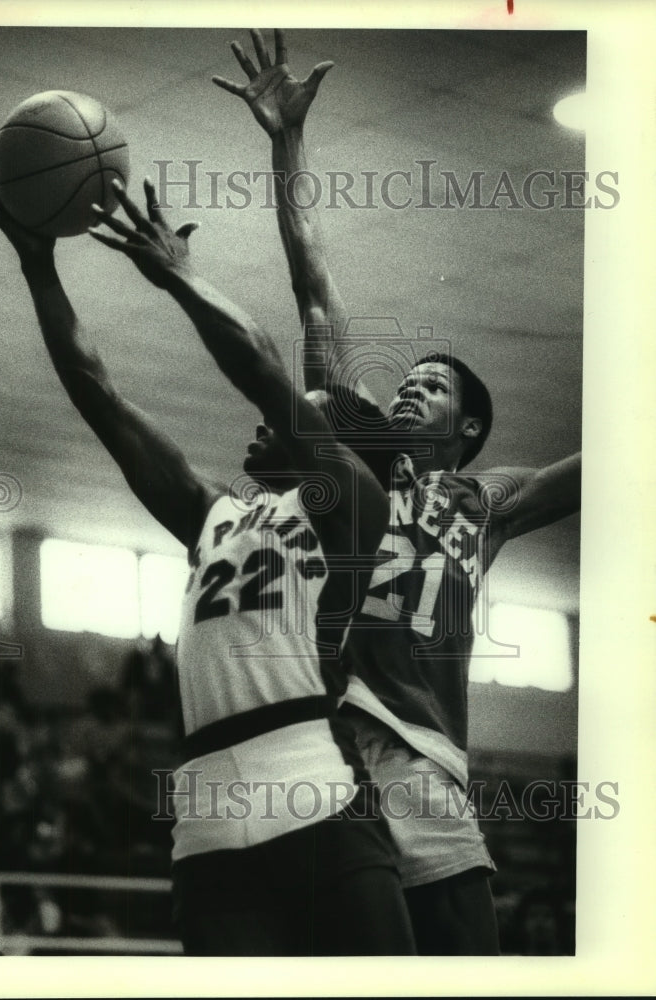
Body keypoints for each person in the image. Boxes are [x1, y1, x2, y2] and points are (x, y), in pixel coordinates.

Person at [214, 29, 581, 955]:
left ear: (465, 429)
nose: (412, 383)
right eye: (407, 375)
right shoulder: (362, 451)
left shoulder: (483, 502)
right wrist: (285, 142)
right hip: (332, 739)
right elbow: (314, 281)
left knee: (467, 960)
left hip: (427, 754)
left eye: (435, 384)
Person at [0, 169, 415, 955]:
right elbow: (97, 395)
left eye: (296, 423)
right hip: (208, 824)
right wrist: (37, 263)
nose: (266, 425)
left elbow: (259, 371)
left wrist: (182, 279)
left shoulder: (353, 511)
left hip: (315, 795)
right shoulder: (212, 513)